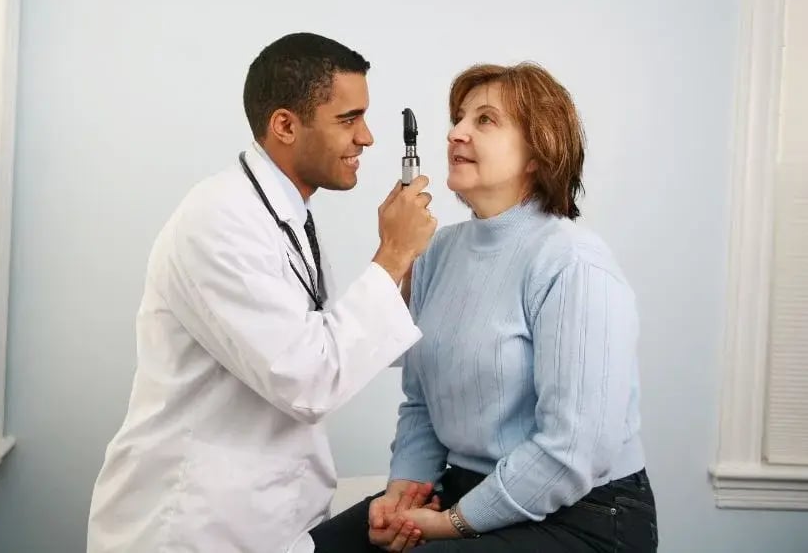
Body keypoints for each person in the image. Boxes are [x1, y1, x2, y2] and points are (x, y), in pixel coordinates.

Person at [85, 32, 439, 553]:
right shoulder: (219, 221)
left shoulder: (285, 216)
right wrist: (392, 254)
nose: (367, 138)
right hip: (192, 529)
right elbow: (311, 378)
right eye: (348, 119)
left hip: (271, 519)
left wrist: (407, 284)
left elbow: (330, 342)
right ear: (285, 125)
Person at [310, 62, 657, 552]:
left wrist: (452, 523)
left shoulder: (573, 263)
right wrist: (404, 490)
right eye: (458, 118)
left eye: (485, 120)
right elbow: (422, 402)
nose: (456, 132)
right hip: (468, 490)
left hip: (586, 514)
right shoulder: (434, 253)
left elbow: (574, 451)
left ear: (539, 151)